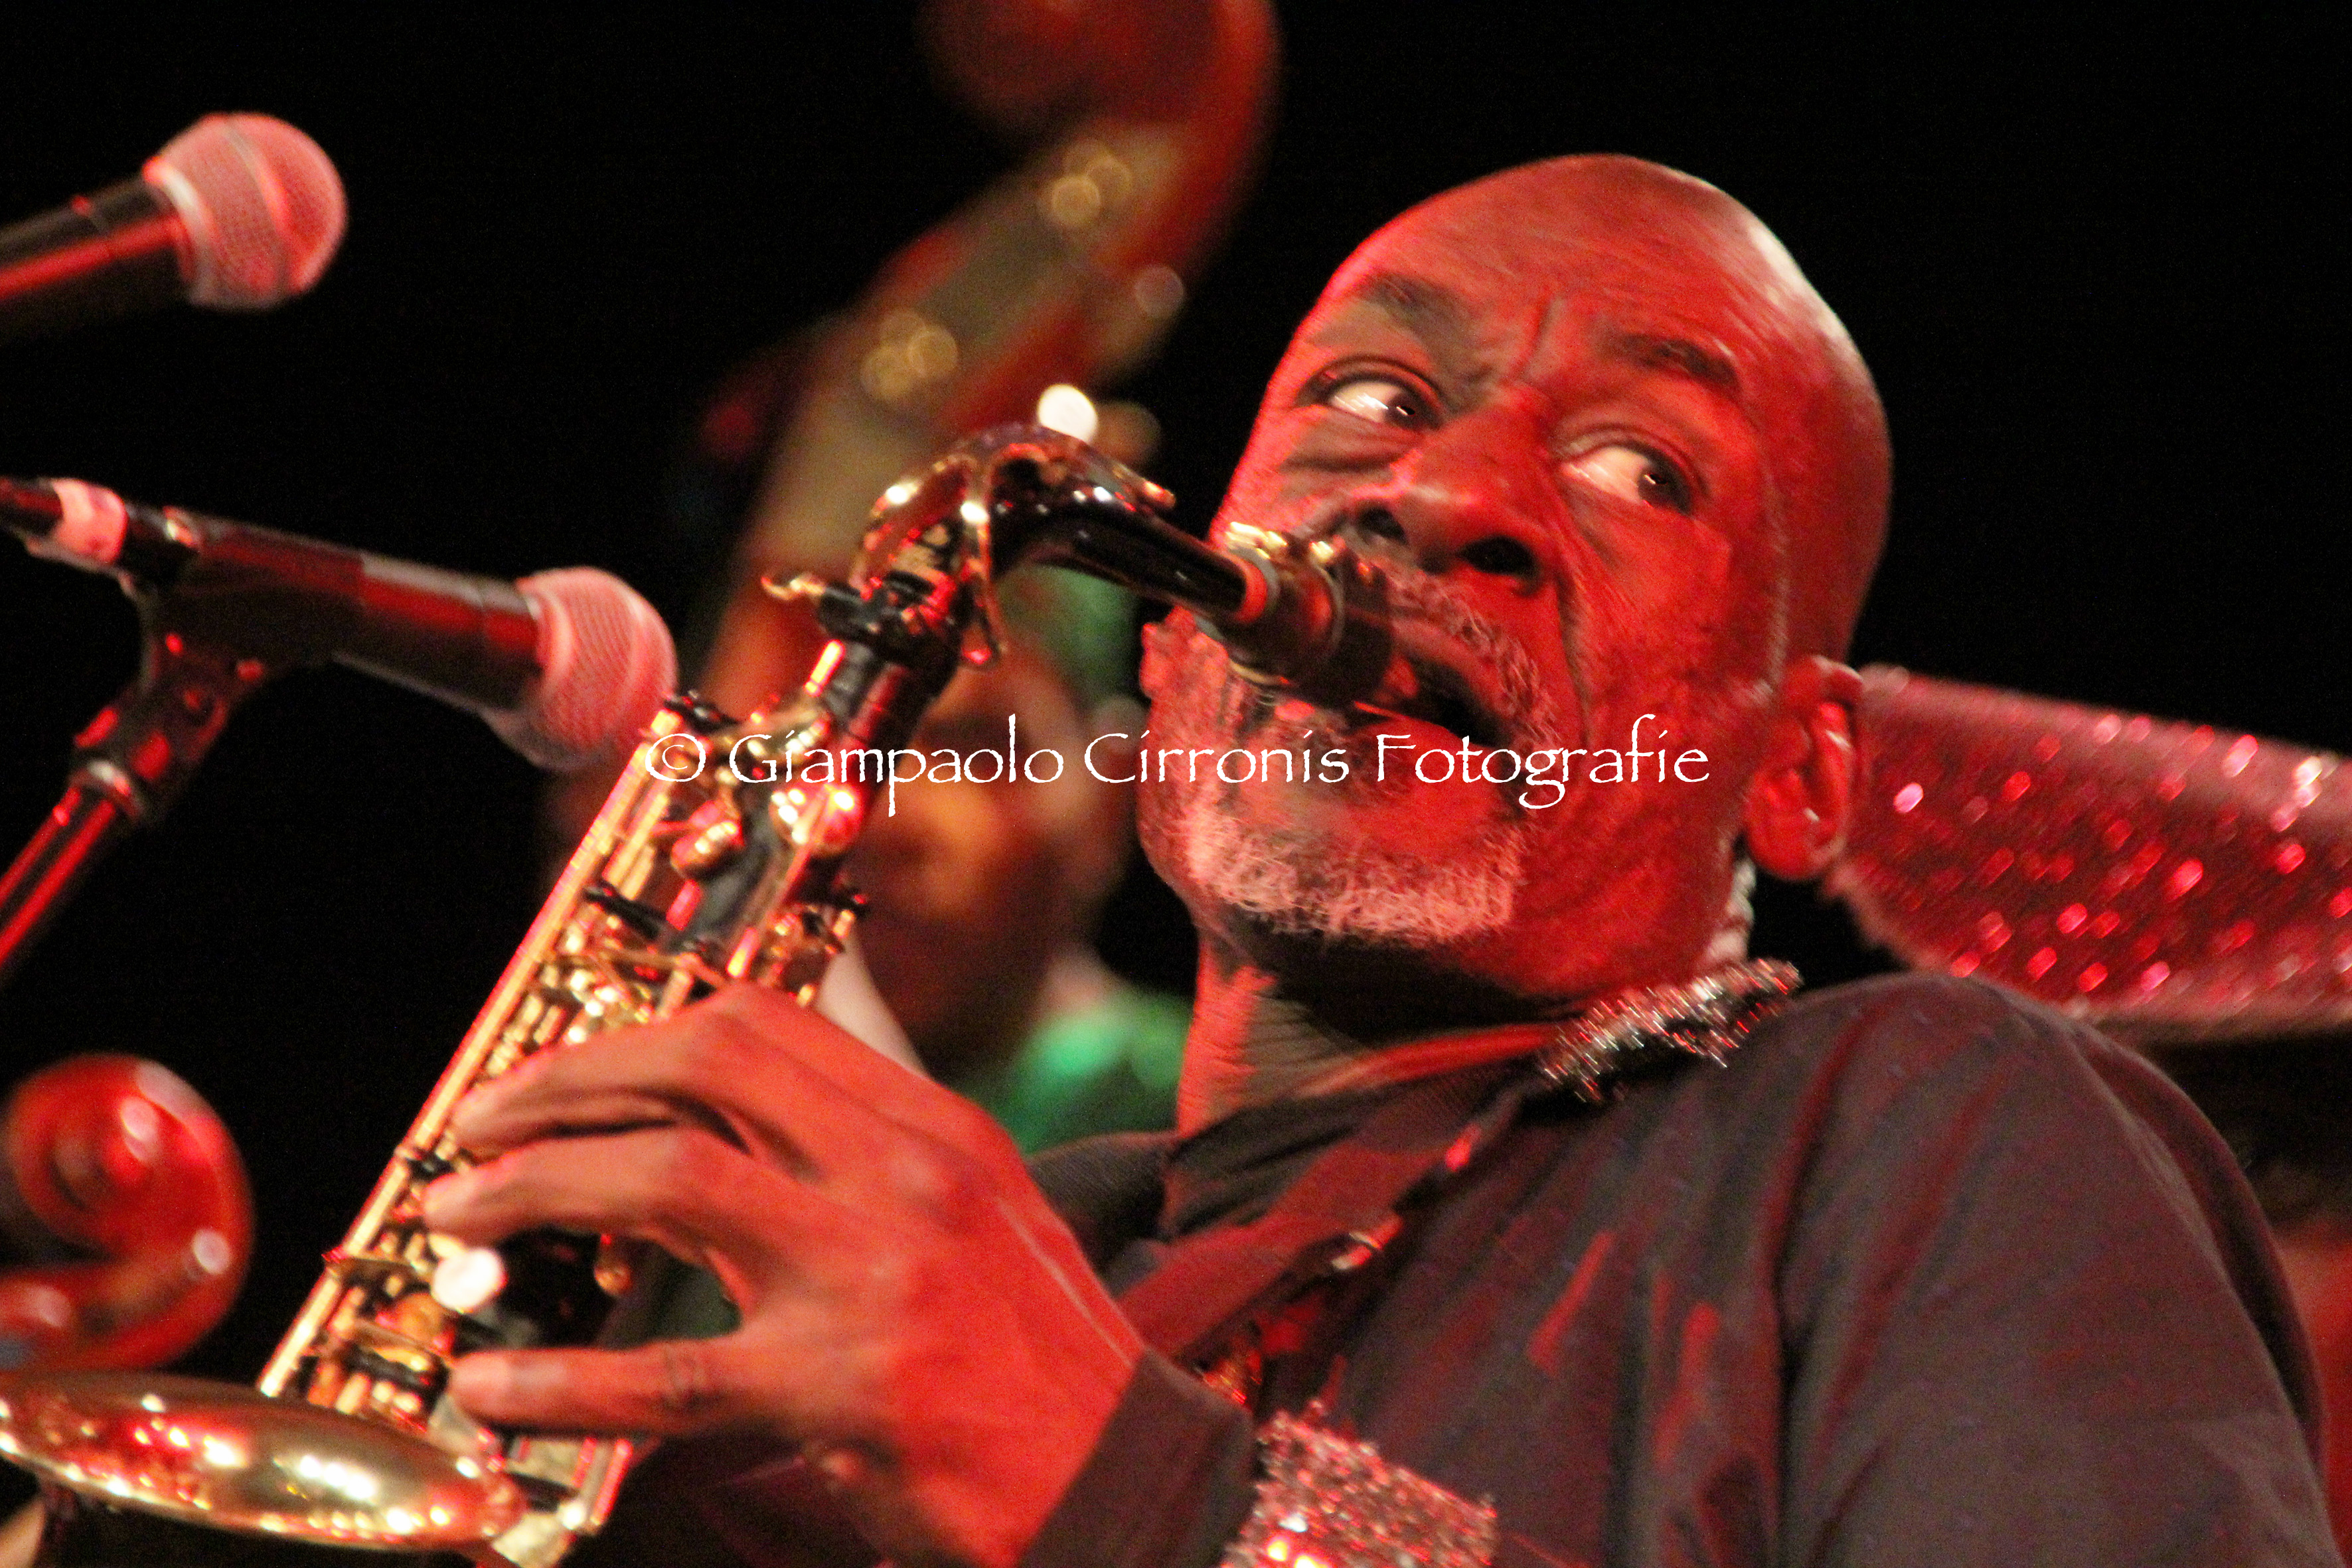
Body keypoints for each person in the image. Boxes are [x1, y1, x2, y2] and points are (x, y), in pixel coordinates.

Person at [419, 155, 2337, 1567]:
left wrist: (1140, 1494)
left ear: (1796, 772)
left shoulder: (1939, 1132)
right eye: (1374, 402)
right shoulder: (987, 1258)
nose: (1440, 491)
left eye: (1642, 468)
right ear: (1172, 651)